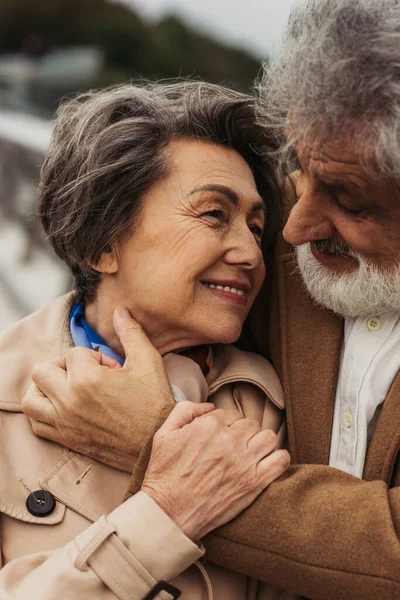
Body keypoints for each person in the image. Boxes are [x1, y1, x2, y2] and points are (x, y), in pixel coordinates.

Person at [21, 0, 400, 598]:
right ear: (102, 239)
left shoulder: (257, 409)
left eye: (351, 201)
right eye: (299, 172)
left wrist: (161, 444)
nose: (280, 238)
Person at [0, 81, 292, 598]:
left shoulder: (269, 403)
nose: (250, 253)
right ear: (101, 242)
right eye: (213, 215)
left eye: (255, 225)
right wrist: (166, 512)